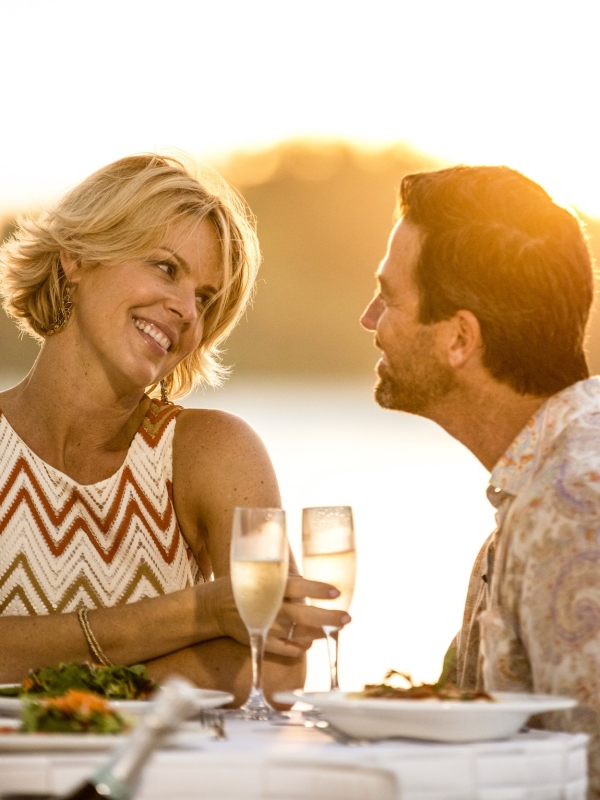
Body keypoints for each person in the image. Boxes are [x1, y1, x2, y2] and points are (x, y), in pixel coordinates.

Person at [0, 153, 349, 703]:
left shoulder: (212, 452)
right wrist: (199, 613)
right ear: (75, 257)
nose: (187, 310)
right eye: (166, 268)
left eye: (205, 298)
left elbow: (277, 664)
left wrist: (63, 692)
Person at [360, 165, 600, 795]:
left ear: (460, 339)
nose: (369, 318)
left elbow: (589, 773)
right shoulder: (537, 486)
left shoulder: (574, 505)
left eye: (389, 296)